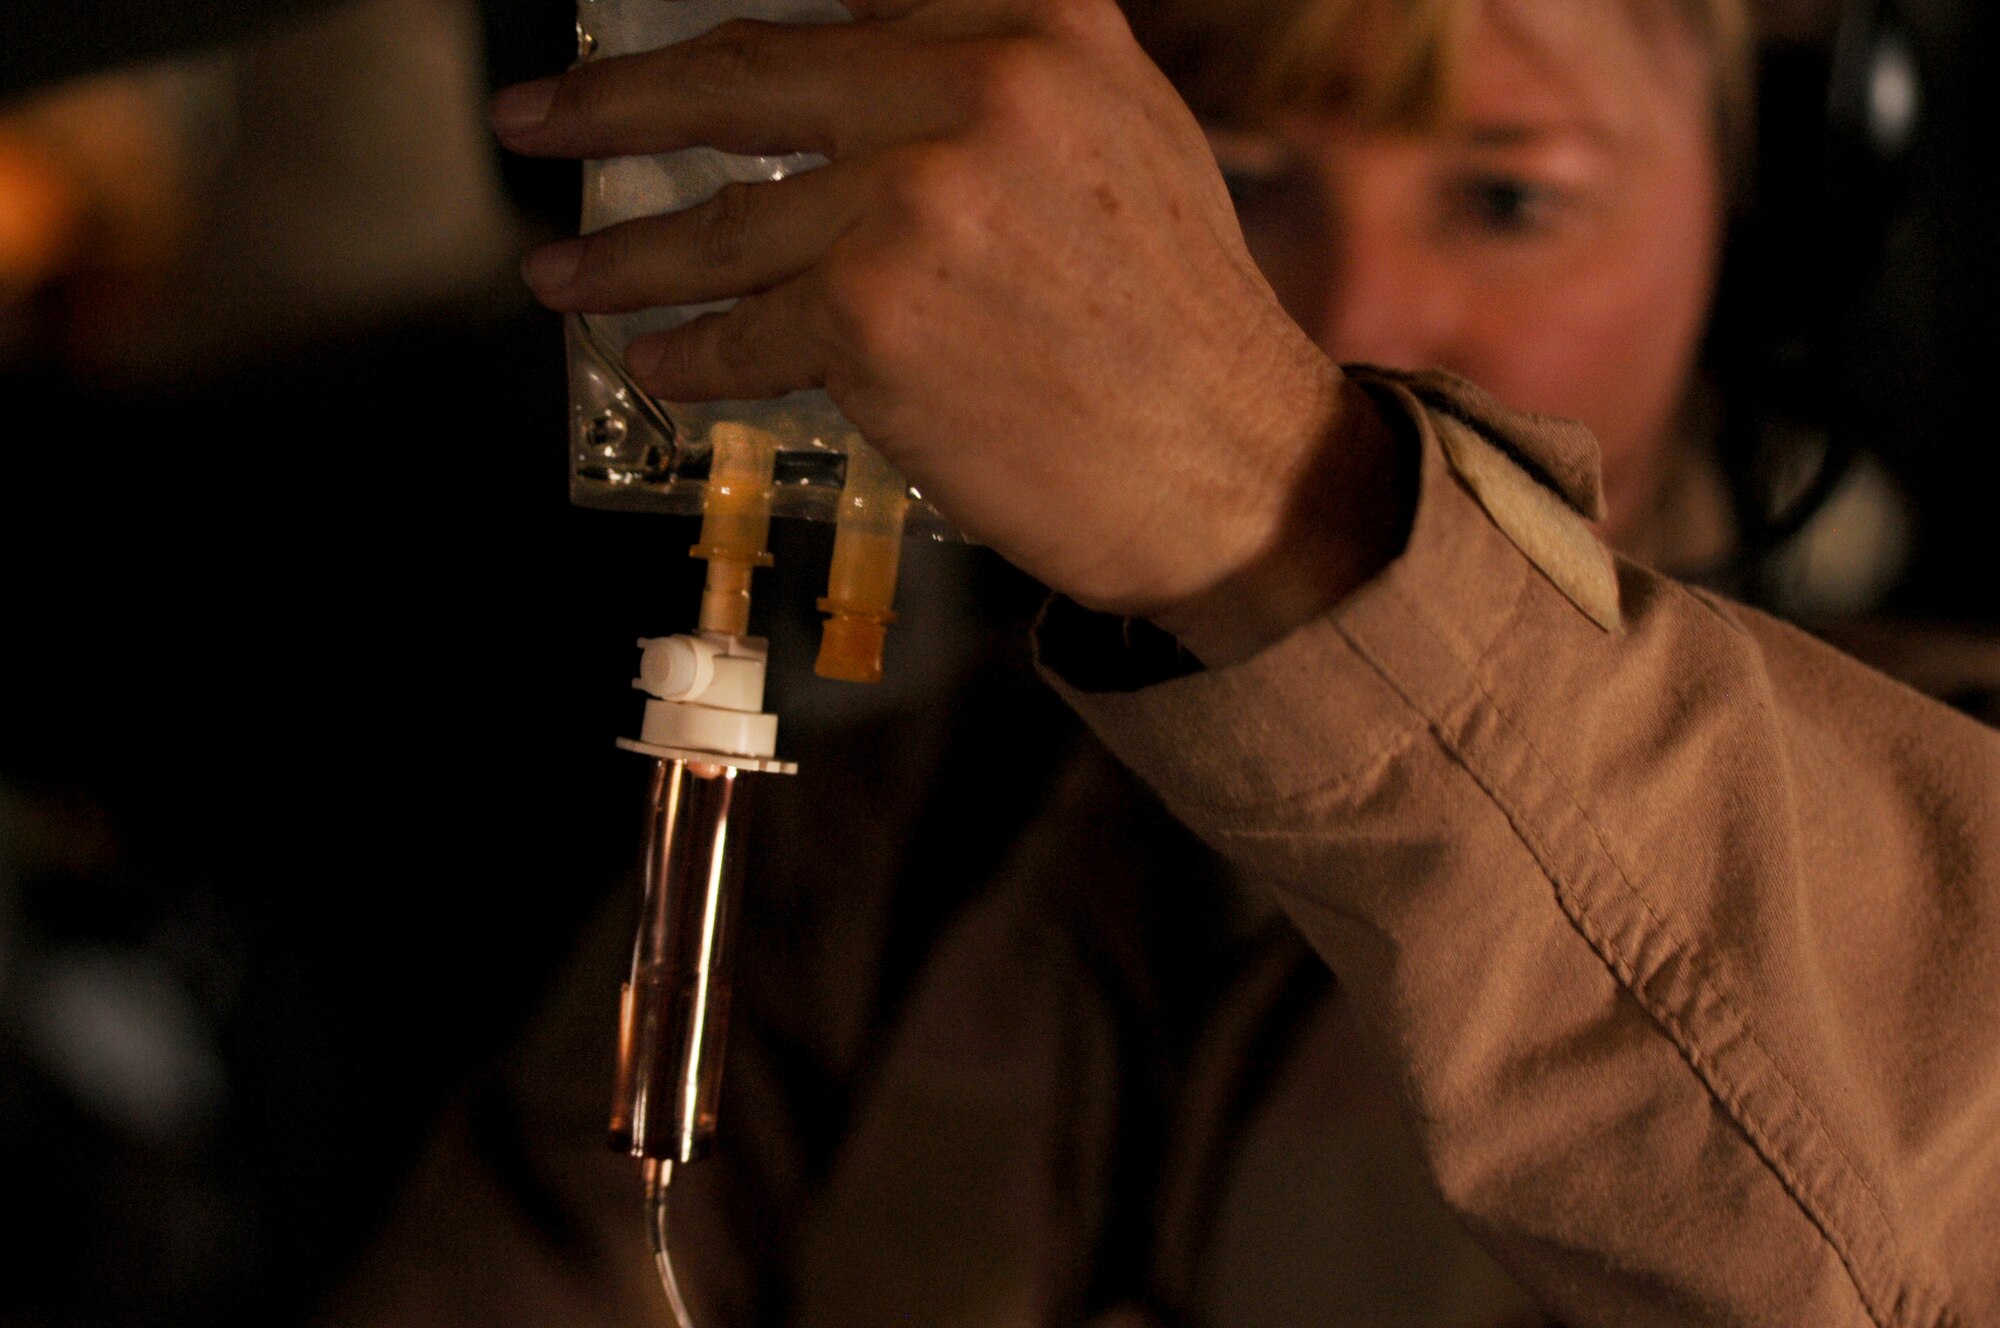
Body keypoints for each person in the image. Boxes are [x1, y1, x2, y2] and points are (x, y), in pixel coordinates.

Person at [324, 1, 1997, 1324]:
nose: (1356, 323)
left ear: (1768, 210)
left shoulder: (1947, 770)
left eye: (1510, 199)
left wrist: (1286, 513)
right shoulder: (866, 873)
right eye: (1234, 190)